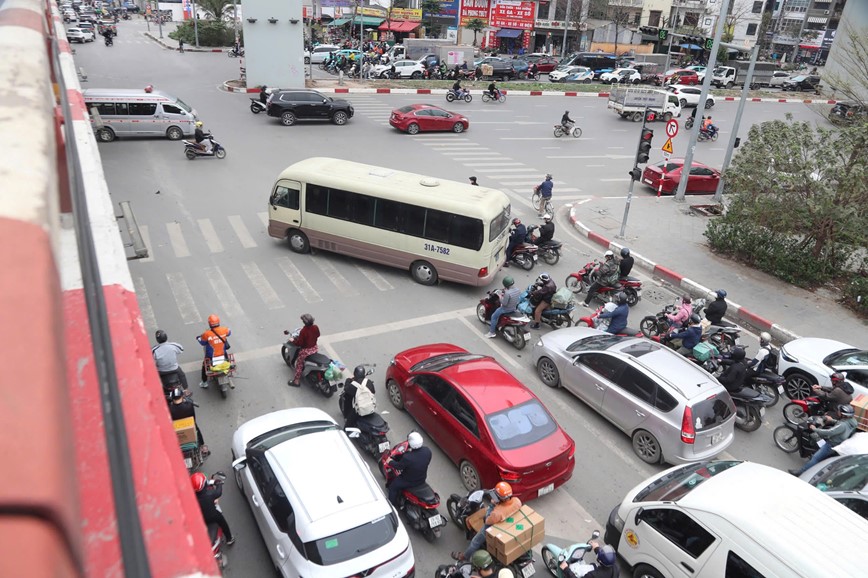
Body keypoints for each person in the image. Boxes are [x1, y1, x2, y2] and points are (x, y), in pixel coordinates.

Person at [453, 482, 522, 562]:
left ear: (499, 498)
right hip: (510, 522)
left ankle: (464, 557)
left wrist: (492, 505)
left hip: (495, 525)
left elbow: (487, 521)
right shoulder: (517, 501)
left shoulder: (497, 513)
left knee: (475, 542)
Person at [789, 404, 857, 476]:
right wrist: (832, 420)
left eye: (839, 411)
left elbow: (830, 432)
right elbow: (840, 424)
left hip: (831, 444)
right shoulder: (852, 421)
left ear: (843, 414)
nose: (838, 412)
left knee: (815, 458)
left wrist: (815, 429)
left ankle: (800, 472)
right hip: (839, 441)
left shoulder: (843, 425)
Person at [387, 432, 432, 508]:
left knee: (393, 487)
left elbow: (399, 466)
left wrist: (390, 461)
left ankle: (391, 506)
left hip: (408, 481)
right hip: (421, 479)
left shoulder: (407, 457)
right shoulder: (427, 451)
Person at [191, 472, 235, 546]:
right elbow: (219, 492)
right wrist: (219, 483)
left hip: (202, 518)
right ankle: (229, 539)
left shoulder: (192, 497)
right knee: (222, 522)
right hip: (213, 515)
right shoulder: (210, 494)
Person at [168, 387, 208, 455]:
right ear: (182, 396)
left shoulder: (170, 409)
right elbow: (193, 417)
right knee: (196, 428)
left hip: (177, 429)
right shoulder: (189, 406)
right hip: (190, 427)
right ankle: (203, 446)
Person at [197, 314, 231, 388]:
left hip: (211, 357)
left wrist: (198, 338)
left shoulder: (207, 334)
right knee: (227, 358)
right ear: (218, 322)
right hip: (222, 354)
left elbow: (202, 343)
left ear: (209, 324)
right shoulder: (224, 329)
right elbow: (229, 333)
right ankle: (227, 369)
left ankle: (204, 382)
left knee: (204, 366)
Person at [287, 313, 320, 387]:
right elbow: (318, 335)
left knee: (299, 364)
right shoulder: (315, 327)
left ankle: (296, 381)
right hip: (314, 348)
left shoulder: (303, 331)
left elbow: (299, 343)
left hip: (306, 351)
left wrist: (293, 340)